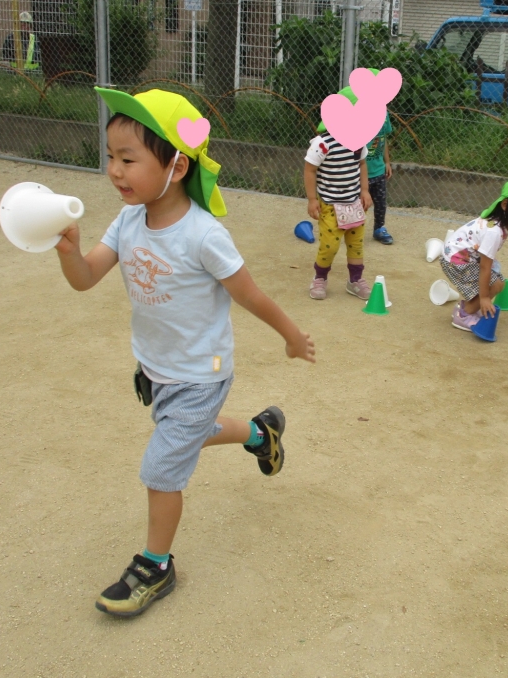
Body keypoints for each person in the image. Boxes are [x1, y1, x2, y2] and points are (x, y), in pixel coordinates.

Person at [54, 87, 315, 617]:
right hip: (158, 368)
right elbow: (85, 278)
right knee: (187, 436)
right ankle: (261, 433)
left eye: (129, 159)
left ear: (175, 167)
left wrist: (291, 336)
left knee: (161, 467)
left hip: (201, 372)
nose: (114, 170)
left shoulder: (203, 235)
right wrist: (68, 253)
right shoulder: (127, 221)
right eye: (110, 156)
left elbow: (250, 294)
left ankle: (155, 566)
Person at [440, 178, 508, 331]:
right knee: (496, 284)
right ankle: (463, 314)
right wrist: (484, 298)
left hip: (456, 256)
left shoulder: (497, 224)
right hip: (457, 260)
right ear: (505, 205)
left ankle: (467, 307)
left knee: (495, 279)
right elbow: (485, 267)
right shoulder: (494, 231)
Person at [305, 86, 373, 301]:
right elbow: (310, 170)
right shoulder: (322, 144)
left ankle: (355, 280)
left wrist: (365, 190)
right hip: (330, 206)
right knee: (330, 245)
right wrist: (312, 199)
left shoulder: (358, 141)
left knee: (356, 244)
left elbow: (362, 164)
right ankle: (319, 278)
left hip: (354, 204)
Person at [367, 111, 395, 244]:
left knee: (380, 203)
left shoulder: (384, 113)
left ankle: (379, 228)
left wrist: (387, 162)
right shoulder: (358, 111)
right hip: (361, 171)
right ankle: (353, 230)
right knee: (359, 204)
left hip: (379, 169)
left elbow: (384, 139)